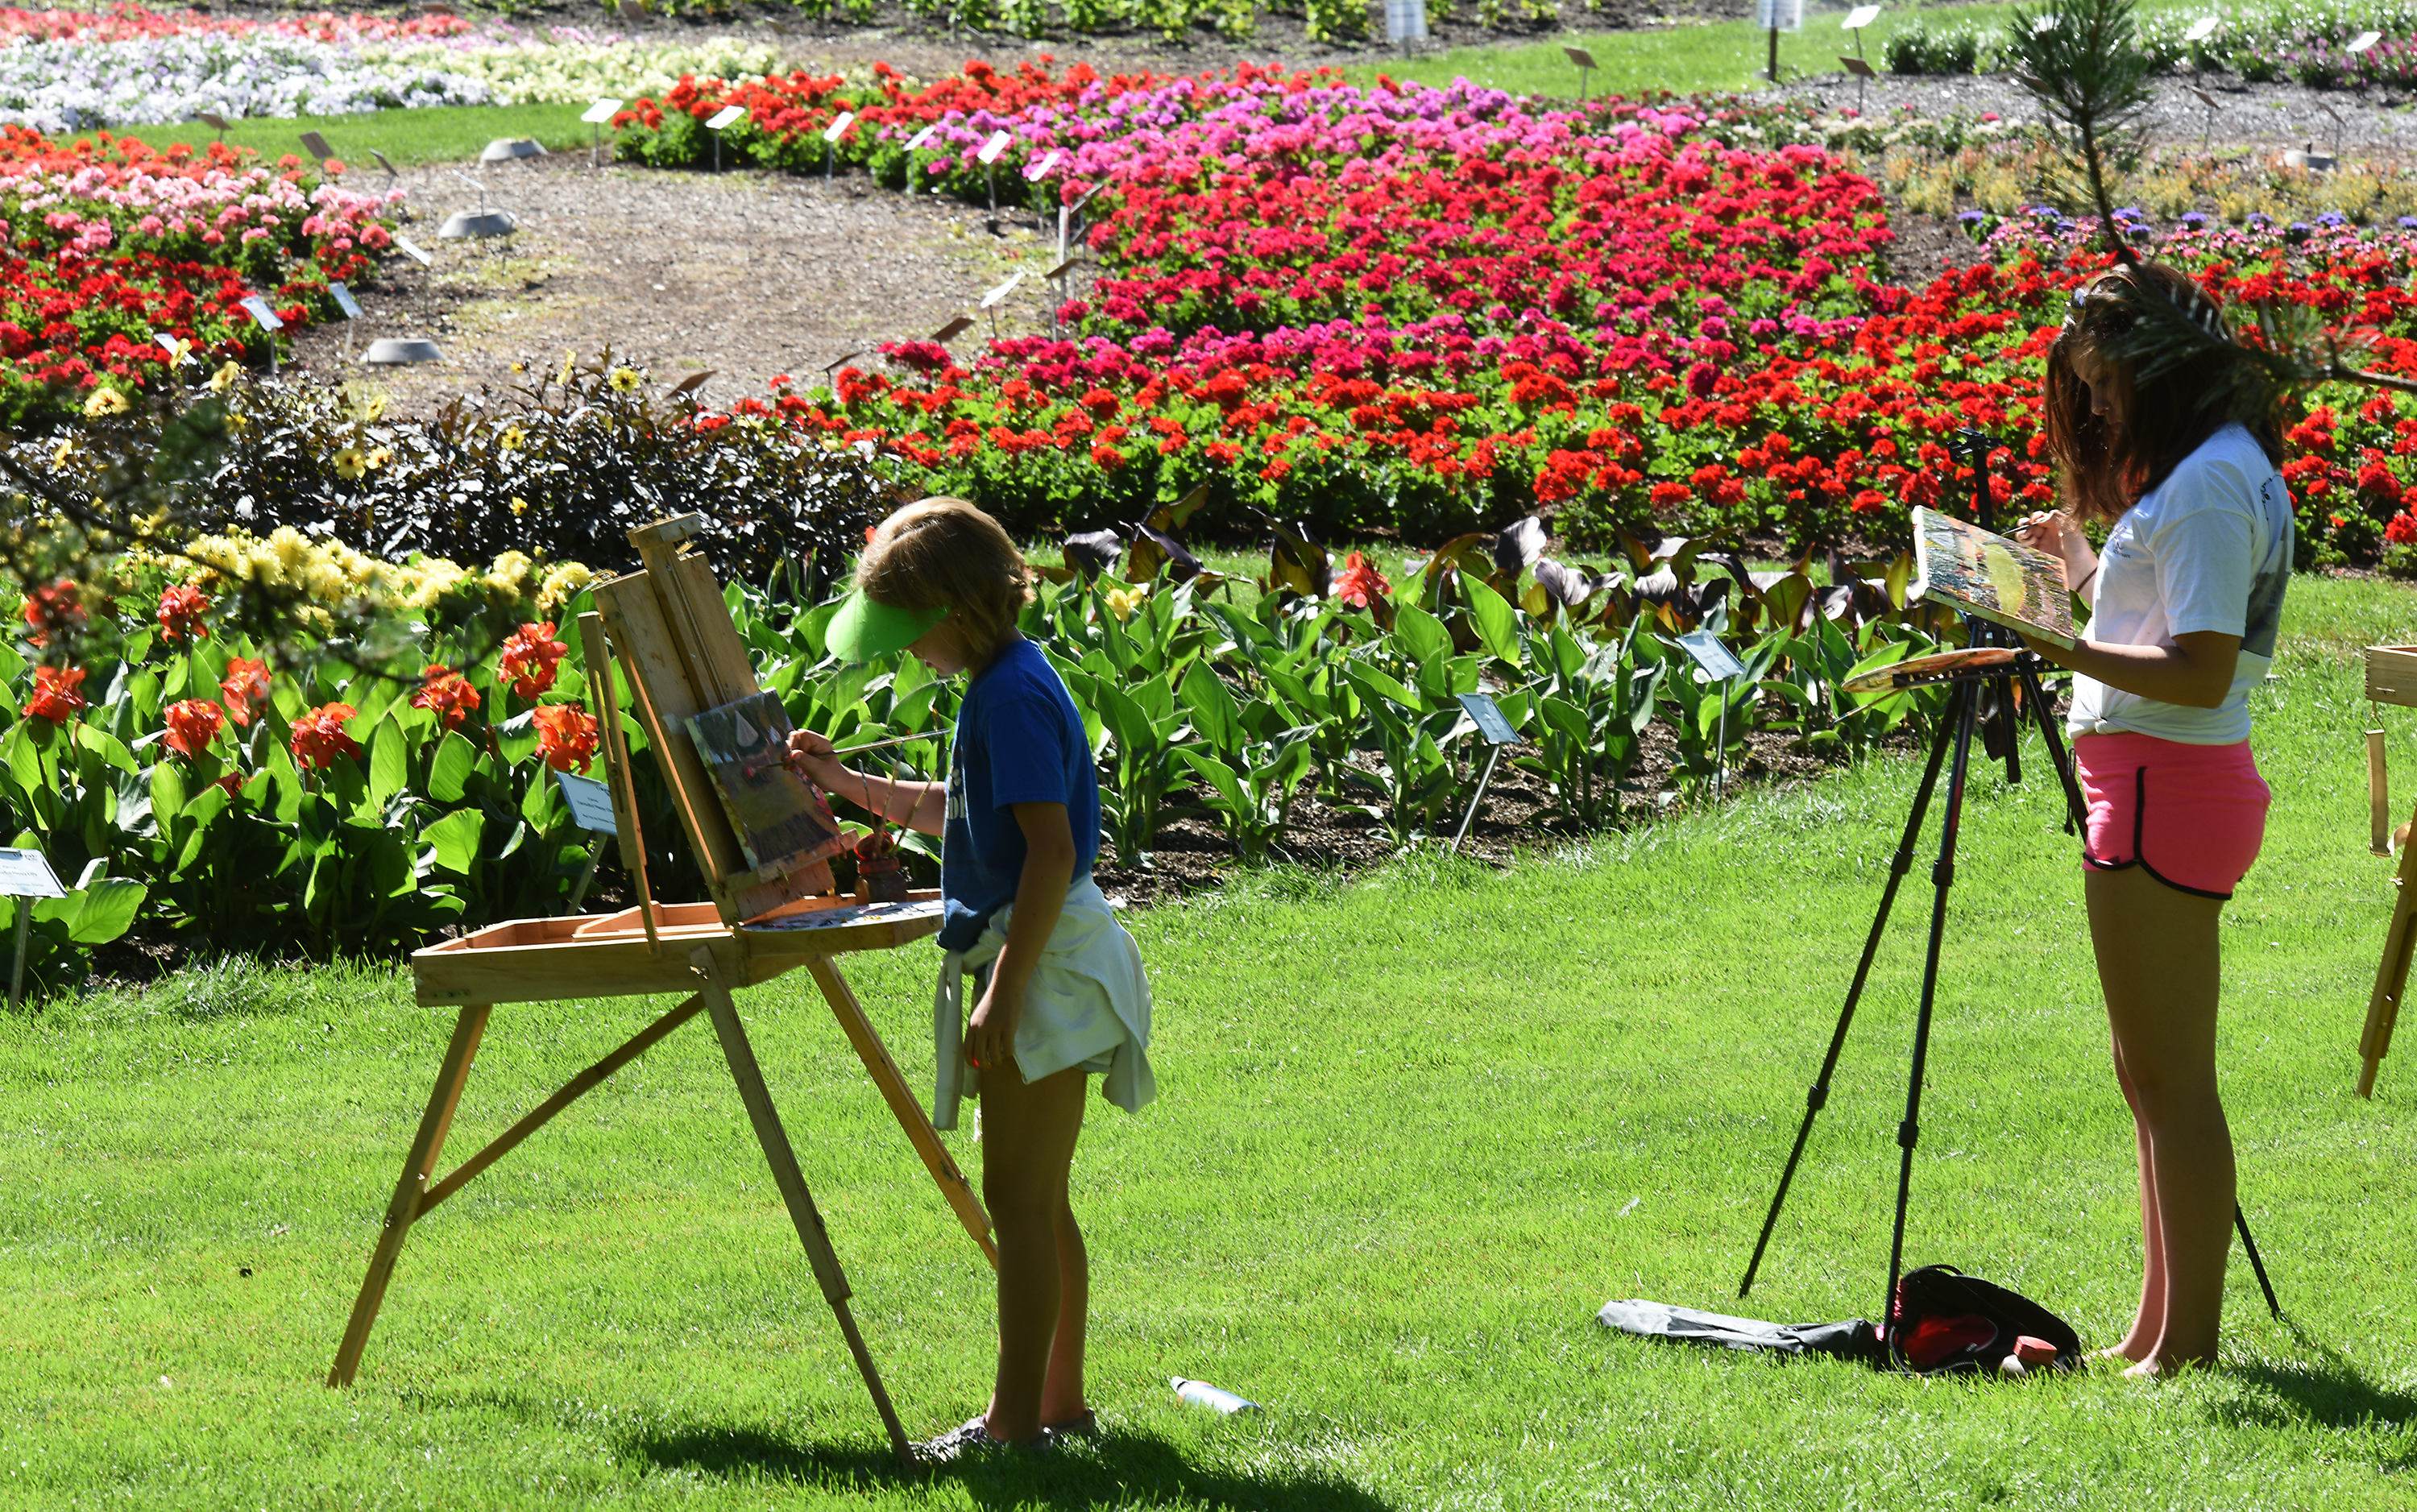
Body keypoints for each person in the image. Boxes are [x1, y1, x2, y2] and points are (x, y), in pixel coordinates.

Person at [785, 496, 1155, 1456]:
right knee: (1040, 1198)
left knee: (1021, 1203)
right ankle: (1056, 1406)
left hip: (1046, 961)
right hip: (1042, 952)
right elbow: (967, 809)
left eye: (913, 628)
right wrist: (848, 784)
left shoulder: (1010, 695)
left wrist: (1006, 988)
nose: (907, 649)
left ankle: (1014, 1426)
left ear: (959, 606)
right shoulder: (1001, 682)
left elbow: (1046, 849)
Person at [2013, 262, 2292, 1377]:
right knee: (2149, 1074)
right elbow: (2164, 620)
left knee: (2176, 1080)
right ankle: (2154, 1330)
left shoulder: (2216, 484)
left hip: (2165, 786)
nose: (2100, 410)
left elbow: (2198, 668)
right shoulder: (2209, 472)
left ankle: (2188, 1347)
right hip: (2151, 780)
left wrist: (2057, 644)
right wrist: (2075, 574)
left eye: (2108, 385)